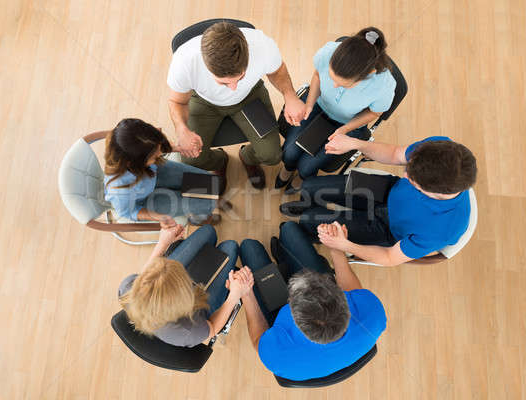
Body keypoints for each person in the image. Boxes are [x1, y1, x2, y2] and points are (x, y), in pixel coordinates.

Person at [281, 135, 478, 266]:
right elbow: (394, 154)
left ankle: (310, 231)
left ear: (434, 192)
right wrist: (356, 143)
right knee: (309, 186)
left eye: (412, 180)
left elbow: (390, 257)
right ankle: (309, 204)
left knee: (310, 221)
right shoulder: (439, 150)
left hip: (385, 229)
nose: (405, 174)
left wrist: (345, 246)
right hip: (386, 190)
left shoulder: (444, 229)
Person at [235, 221, 387, 381]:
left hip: (281, 326)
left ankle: (282, 257)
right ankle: (283, 255)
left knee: (249, 247)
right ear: (342, 299)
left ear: (292, 315)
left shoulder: (279, 356)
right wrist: (336, 249)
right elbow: (352, 291)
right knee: (289, 229)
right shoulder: (373, 314)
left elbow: (258, 339)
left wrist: (247, 294)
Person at [167, 21, 306, 189]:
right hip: (203, 102)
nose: (233, 88)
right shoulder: (185, 61)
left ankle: (246, 157)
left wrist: (290, 96)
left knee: (272, 155)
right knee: (192, 159)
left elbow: (277, 71)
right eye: (223, 83)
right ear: (206, 66)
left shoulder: (262, 45)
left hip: (249, 97)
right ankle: (220, 162)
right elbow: (177, 101)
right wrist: (181, 129)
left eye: (240, 77)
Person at [275, 27, 396, 194]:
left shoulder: (383, 85)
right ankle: (287, 169)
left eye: (342, 84)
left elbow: (375, 113)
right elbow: (317, 75)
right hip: (317, 105)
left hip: (349, 123)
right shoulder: (329, 52)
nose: (333, 86)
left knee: (307, 166)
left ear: (368, 73)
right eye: (332, 78)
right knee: (289, 152)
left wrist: (345, 129)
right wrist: (309, 104)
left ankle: (300, 178)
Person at [118, 224, 252, 347]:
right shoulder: (188, 330)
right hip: (199, 313)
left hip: (172, 300)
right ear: (184, 295)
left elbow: (148, 275)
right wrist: (234, 296)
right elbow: (213, 328)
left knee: (208, 231)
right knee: (230, 246)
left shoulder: (126, 288)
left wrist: (163, 244)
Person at [104, 118, 223, 226]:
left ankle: (209, 203)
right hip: (144, 200)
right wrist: (159, 217)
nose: (161, 155)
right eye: (155, 156)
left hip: (152, 172)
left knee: (208, 182)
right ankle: (199, 218)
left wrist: (178, 147)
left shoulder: (135, 138)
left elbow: (156, 148)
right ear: (135, 163)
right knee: (203, 204)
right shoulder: (118, 190)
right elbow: (128, 212)